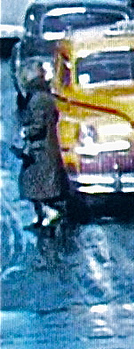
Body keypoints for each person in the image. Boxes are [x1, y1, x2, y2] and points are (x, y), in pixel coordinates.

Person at [12, 65, 66, 229]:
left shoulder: (38, 99)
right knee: (34, 183)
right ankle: (42, 214)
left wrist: (24, 133)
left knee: (34, 182)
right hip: (43, 150)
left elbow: (37, 125)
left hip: (42, 151)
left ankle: (49, 212)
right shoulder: (42, 96)